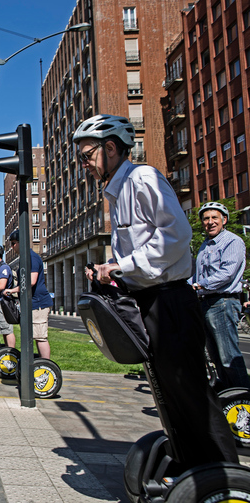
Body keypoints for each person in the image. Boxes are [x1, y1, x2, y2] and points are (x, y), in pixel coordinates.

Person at [75, 114, 237, 468]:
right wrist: (112, 274)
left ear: (112, 148)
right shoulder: (118, 193)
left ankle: (226, 477)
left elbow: (176, 236)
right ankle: (189, 467)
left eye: (87, 155)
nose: (84, 165)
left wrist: (122, 265)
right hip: (148, 299)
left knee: (191, 394)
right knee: (169, 395)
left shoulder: (142, 179)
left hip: (171, 303)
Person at [190, 201, 250, 389]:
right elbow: (196, 275)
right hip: (206, 303)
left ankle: (244, 400)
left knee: (228, 357)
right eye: (206, 218)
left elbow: (227, 273)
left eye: (214, 217)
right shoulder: (205, 245)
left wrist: (200, 285)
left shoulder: (232, 241)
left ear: (224, 220)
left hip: (223, 303)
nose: (210, 222)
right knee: (215, 356)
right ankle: (227, 398)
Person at [2, 230, 53, 358]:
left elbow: (31, 280)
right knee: (35, 335)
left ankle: (46, 366)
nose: (12, 247)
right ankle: (40, 364)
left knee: (40, 336)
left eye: (13, 243)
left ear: (21, 242)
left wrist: (13, 290)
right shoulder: (25, 258)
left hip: (38, 303)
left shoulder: (32, 257)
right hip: (32, 303)